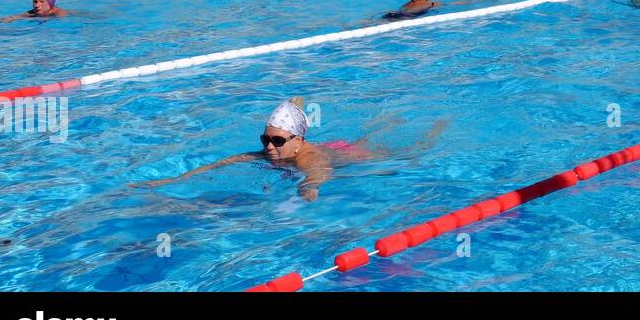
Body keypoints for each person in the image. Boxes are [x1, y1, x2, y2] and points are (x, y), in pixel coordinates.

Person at [135, 98, 443, 202]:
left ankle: (434, 127)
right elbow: (225, 161)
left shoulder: (309, 155)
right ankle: (386, 121)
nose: (269, 147)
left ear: (297, 141)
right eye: (265, 139)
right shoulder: (278, 149)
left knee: (409, 152)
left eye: (277, 141)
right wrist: (171, 182)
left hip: (346, 155)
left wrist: (309, 188)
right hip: (320, 145)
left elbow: (320, 170)